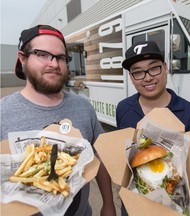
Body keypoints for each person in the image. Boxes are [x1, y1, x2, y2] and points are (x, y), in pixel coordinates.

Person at [0, 25, 116, 216]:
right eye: (42, 54)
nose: (54, 63)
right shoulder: (3, 113)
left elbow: (100, 157)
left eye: (60, 57)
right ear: (23, 58)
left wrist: (109, 204)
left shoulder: (83, 107)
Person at [116, 41, 190, 215]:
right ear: (131, 77)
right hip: (131, 205)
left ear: (165, 68)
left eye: (154, 68)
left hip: (174, 207)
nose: (148, 77)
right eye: (138, 72)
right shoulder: (123, 108)